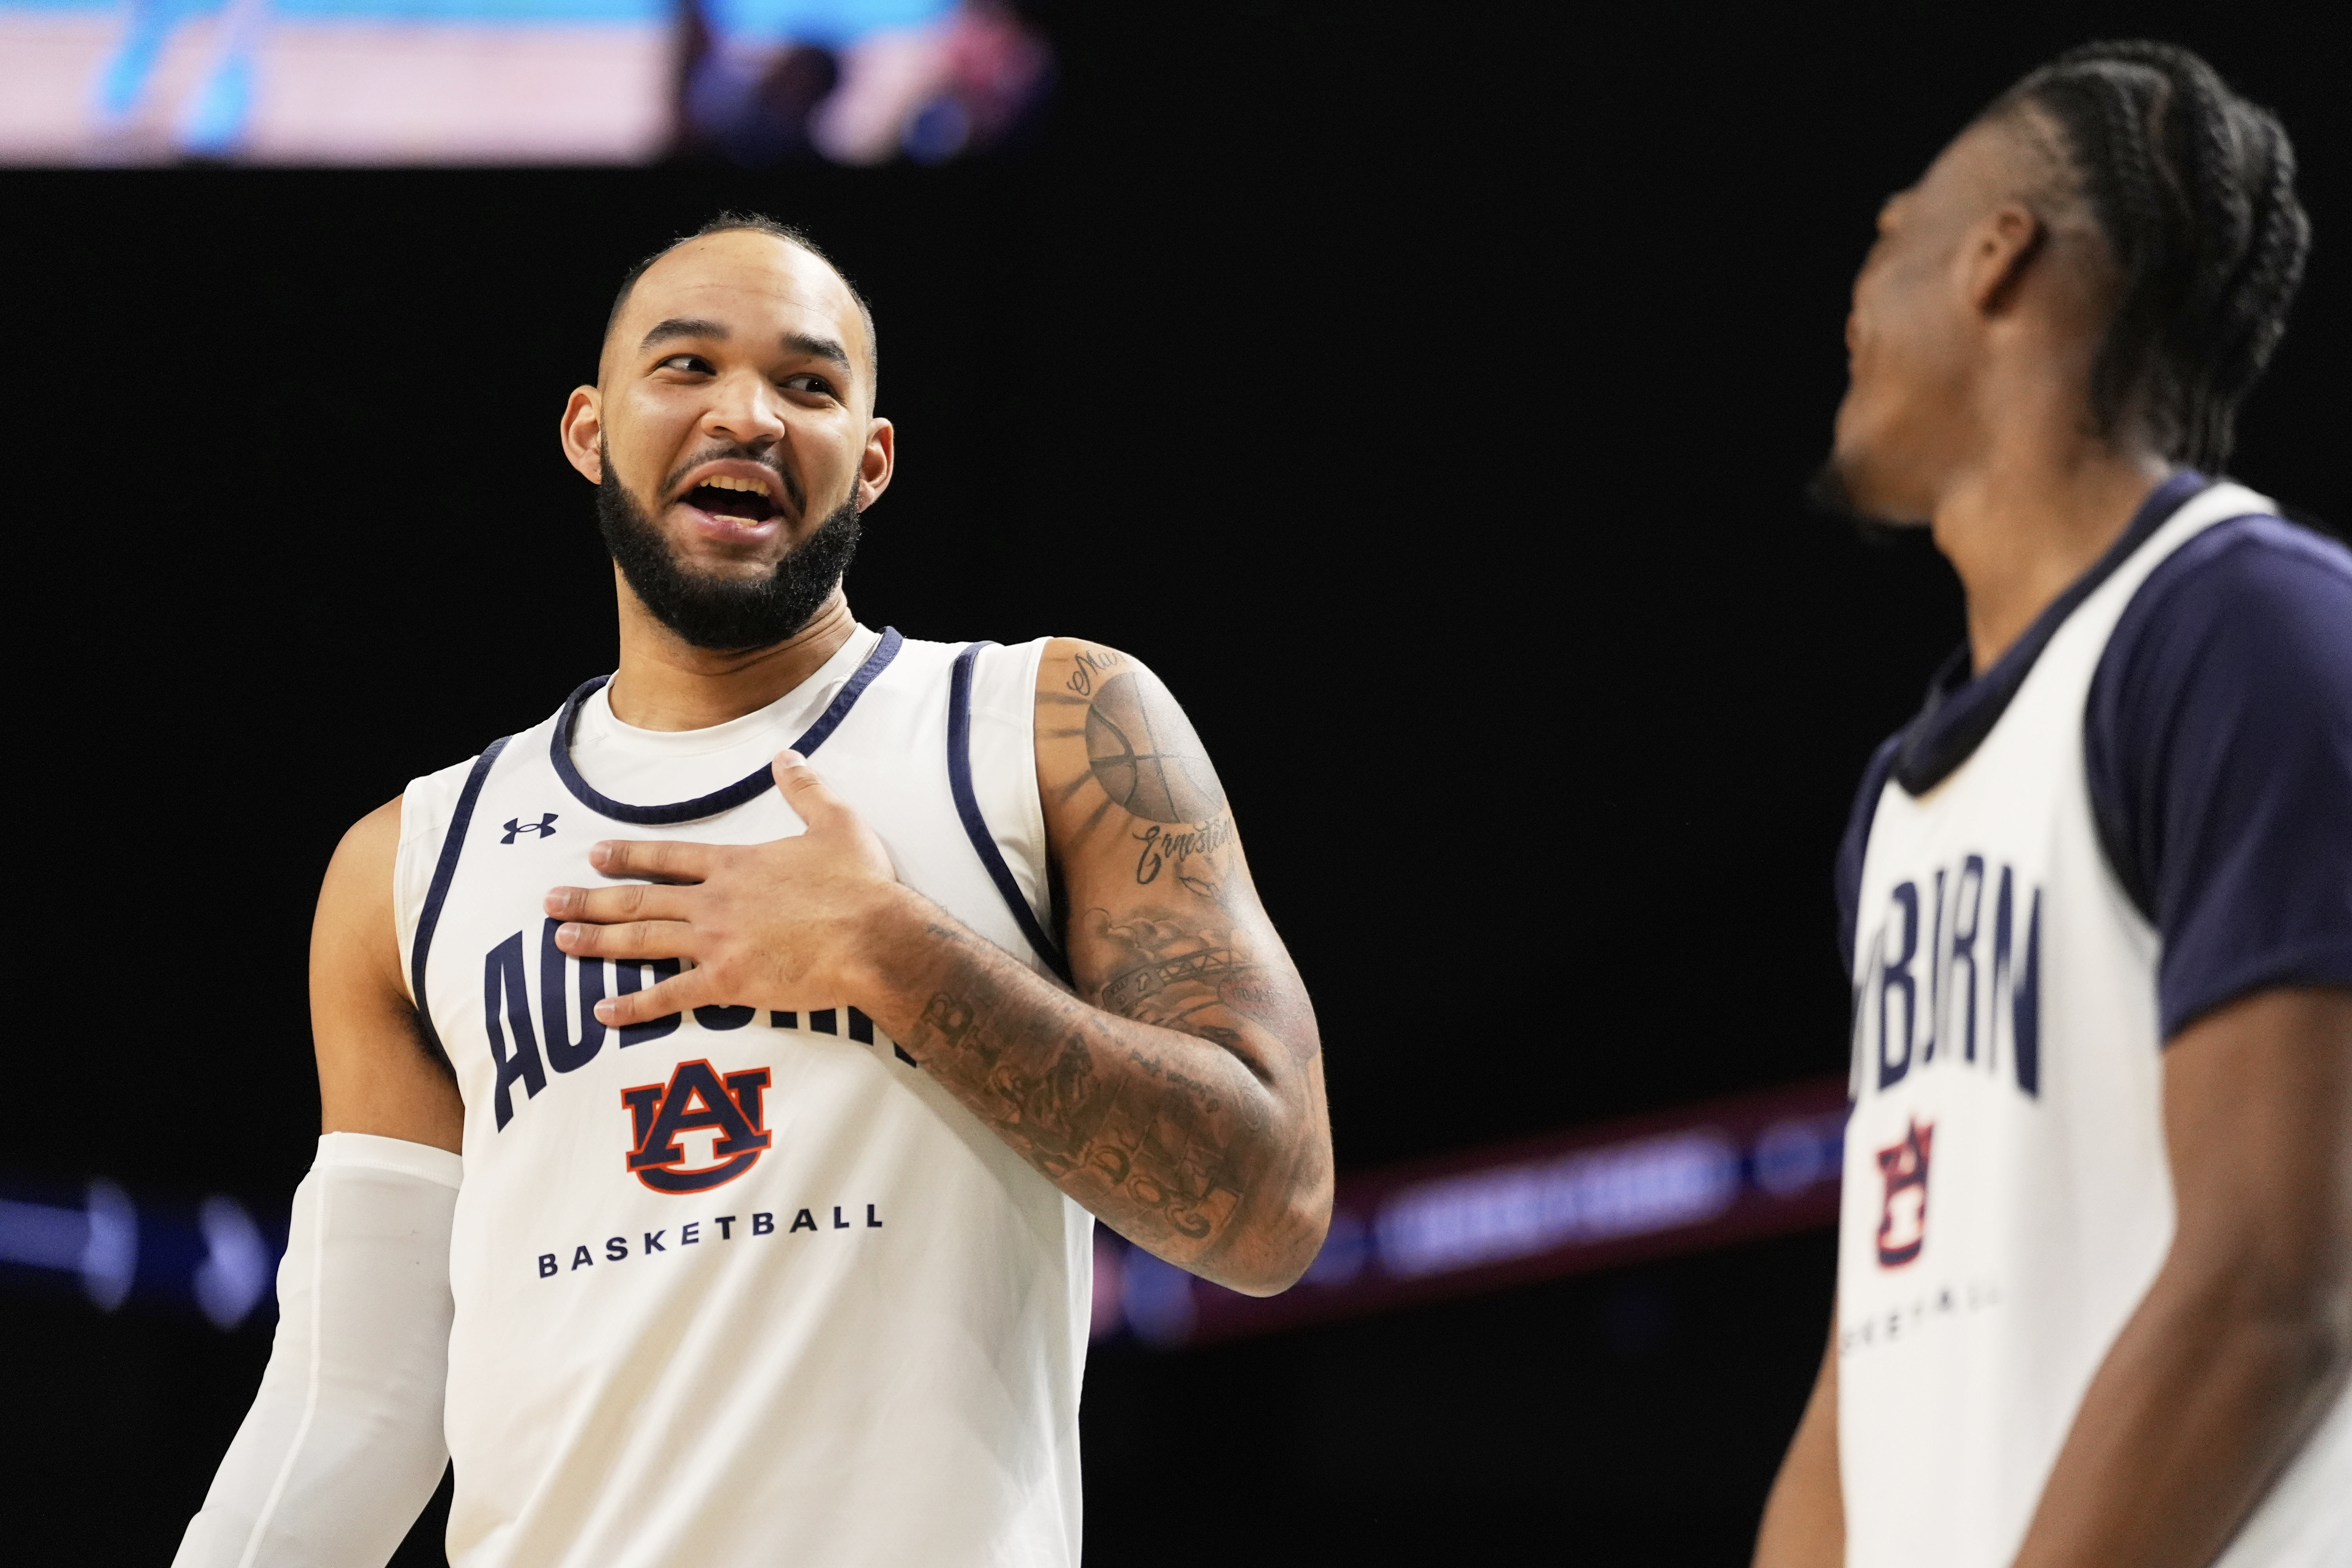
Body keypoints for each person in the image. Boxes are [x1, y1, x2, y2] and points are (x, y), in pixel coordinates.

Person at [172, 213, 1334, 1567]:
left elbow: (1270, 1208)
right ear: (587, 430)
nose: (748, 415)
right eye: (687, 367)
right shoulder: (411, 862)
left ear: (874, 459)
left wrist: (898, 954)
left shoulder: (1048, 723)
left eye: (809, 383)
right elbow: (351, 1409)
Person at [1752, 41, 2352, 1568]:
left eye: (1892, 243)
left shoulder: (2248, 628)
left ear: (1998, 259)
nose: (1852, 302)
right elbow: (1867, 1368)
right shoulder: (1898, 807)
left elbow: (2278, 1274)